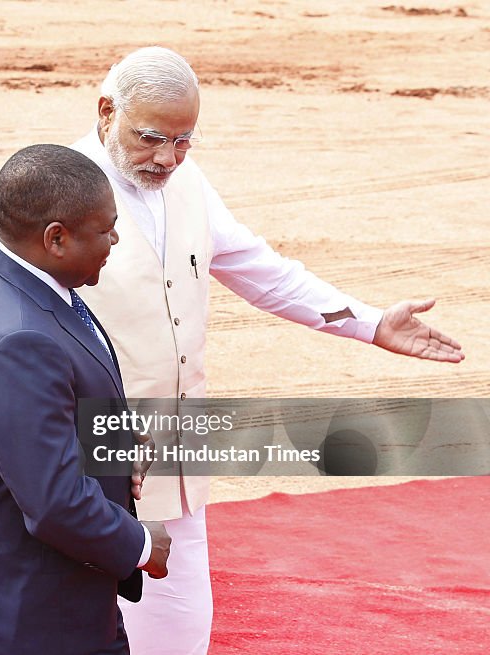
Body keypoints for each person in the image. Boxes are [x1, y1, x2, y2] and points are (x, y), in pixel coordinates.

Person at [72, 46, 465, 655]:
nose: (167, 158)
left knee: (178, 634)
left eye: (183, 141)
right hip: (83, 466)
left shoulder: (189, 184)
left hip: (175, 459)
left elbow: (263, 272)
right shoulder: (57, 189)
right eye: (152, 138)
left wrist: (367, 322)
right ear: (105, 112)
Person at [0, 144, 173, 655]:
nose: (114, 238)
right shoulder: (21, 339)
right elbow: (55, 504)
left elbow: (35, 420)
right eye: (105, 229)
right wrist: (143, 546)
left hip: (53, 597)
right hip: (26, 618)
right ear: (55, 238)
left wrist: (113, 441)